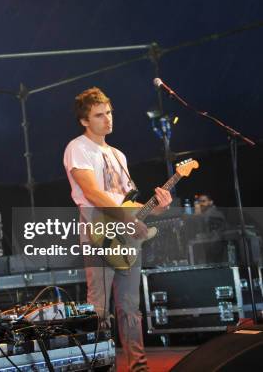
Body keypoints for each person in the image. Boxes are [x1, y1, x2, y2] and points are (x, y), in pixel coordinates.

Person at [63, 87, 172, 372]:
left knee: (130, 309)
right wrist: (126, 218)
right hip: (98, 233)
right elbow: (92, 193)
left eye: (109, 113)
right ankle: (100, 366)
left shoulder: (118, 156)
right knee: (99, 308)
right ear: (85, 121)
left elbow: (130, 202)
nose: (107, 119)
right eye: (99, 115)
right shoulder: (78, 148)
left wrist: (158, 207)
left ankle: (139, 367)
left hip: (125, 237)